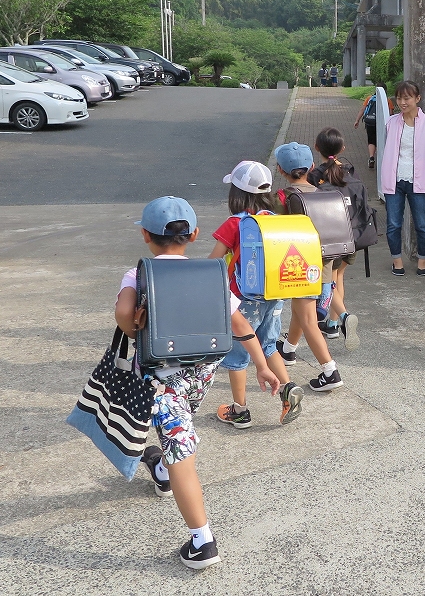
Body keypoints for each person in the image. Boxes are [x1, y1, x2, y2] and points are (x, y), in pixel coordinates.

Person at [116, 196, 281, 569]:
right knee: (177, 427)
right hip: (200, 375)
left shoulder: (140, 275)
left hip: (161, 378)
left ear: (145, 235)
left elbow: (125, 314)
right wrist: (262, 366)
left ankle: (202, 542)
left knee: (181, 454)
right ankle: (160, 471)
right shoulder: (211, 274)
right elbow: (240, 325)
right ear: (194, 235)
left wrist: (133, 324)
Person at [208, 161, 305, 427]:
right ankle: (287, 389)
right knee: (268, 345)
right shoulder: (275, 221)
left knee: (238, 356)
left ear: (236, 194)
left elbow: (213, 263)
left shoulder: (234, 224)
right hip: (274, 296)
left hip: (243, 300)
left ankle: (239, 411)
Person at [272, 142, 346, 391]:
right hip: (324, 266)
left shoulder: (283, 198)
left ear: (280, 170)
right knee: (302, 312)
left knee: (307, 318)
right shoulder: (324, 194)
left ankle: (330, 371)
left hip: (297, 267)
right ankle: (289, 350)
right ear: (312, 167)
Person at [307, 127, 365, 350]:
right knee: (339, 277)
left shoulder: (316, 176)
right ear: (343, 148)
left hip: (328, 239)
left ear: (317, 148)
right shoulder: (350, 171)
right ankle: (331, 324)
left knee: (330, 280)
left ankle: (342, 316)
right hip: (351, 236)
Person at [380, 80, 425, 276]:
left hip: (419, 180)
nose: (402, 102)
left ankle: (423, 261)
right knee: (393, 223)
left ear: (417, 98)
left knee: (422, 224)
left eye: (407, 98)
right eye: (399, 98)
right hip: (394, 179)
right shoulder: (391, 123)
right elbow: (385, 149)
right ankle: (397, 261)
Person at [354, 84, 394, 169]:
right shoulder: (387, 100)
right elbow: (390, 113)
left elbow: (363, 109)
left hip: (370, 122)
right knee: (381, 140)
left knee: (371, 140)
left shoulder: (369, 99)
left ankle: (371, 157)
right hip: (382, 124)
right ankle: (382, 159)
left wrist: (357, 120)